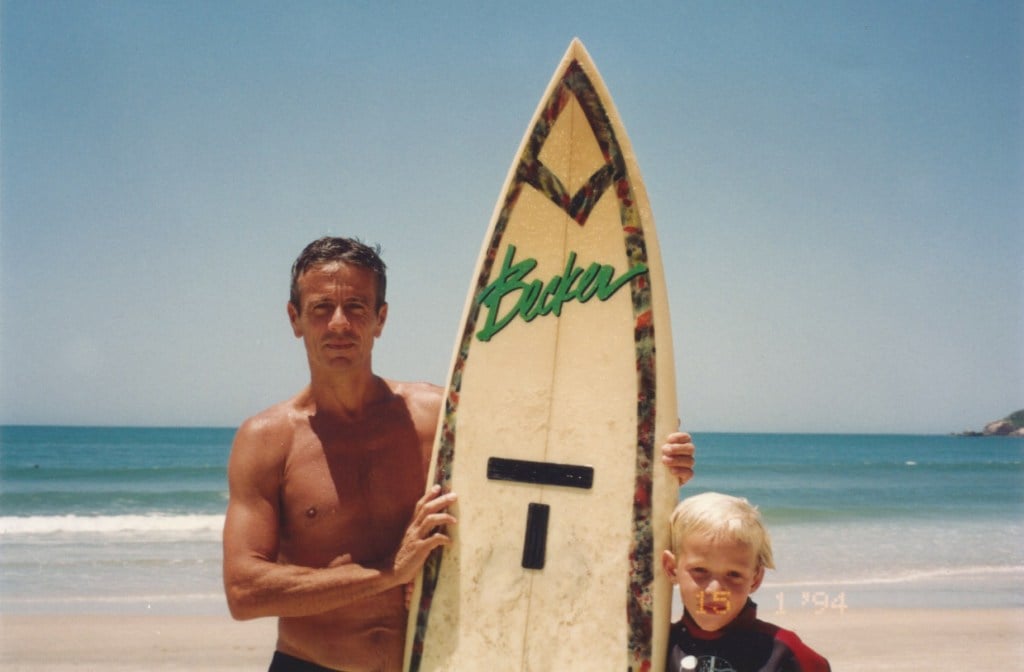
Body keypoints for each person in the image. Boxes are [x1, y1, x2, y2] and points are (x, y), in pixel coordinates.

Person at [223, 236, 697, 672]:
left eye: (357, 306)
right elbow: (244, 592)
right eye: (322, 307)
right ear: (295, 318)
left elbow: (554, 458)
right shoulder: (267, 440)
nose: (340, 323)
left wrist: (657, 458)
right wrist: (391, 571)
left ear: (381, 318)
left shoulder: (436, 416)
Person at [661, 492, 830, 672]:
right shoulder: (653, 646)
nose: (714, 590)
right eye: (700, 570)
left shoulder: (783, 654)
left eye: (733, 574)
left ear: (755, 578)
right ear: (672, 568)